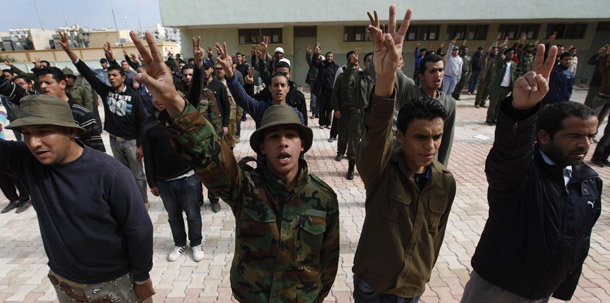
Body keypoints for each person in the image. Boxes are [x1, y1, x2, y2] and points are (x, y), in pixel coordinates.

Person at [130, 30, 339, 302]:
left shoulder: (324, 199)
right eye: (274, 136)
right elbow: (208, 151)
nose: (283, 143)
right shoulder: (244, 187)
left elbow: (328, 263)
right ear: (262, 147)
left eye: (291, 136)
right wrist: (174, 102)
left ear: (303, 144)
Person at [462, 43, 603, 302]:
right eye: (574, 136)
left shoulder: (589, 182)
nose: (584, 144)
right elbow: (510, 150)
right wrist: (521, 111)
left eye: (590, 136)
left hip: (540, 291)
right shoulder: (521, 172)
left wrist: (563, 286)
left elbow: (581, 239)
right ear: (544, 136)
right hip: (497, 287)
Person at [0, 94, 154, 302]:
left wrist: (142, 276)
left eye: (44, 132)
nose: (34, 143)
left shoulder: (110, 173)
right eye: (26, 134)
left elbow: (139, 229)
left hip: (114, 283)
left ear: (71, 131)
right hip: (65, 280)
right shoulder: (28, 161)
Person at [352, 7, 456, 303]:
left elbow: (436, 237)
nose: (431, 146)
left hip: (412, 286)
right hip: (374, 280)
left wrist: (423, 273)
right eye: (421, 137)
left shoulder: (445, 182)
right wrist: (386, 78)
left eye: (436, 137)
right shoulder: (382, 170)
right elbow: (375, 133)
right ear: (401, 136)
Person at [58, 31, 148, 207]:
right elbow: (86, 71)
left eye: (115, 76)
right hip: (114, 142)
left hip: (131, 142)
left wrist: (141, 145)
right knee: (123, 173)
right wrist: (69, 50)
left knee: (137, 174)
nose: (111, 78)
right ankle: (129, 199)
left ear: (123, 77)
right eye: (109, 76)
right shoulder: (106, 93)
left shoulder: (134, 97)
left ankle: (142, 200)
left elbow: (141, 122)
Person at [142, 99, 203, 262]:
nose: (158, 100)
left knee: (193, 214)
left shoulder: (182, 117)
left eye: (162, 95)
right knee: (173, 216)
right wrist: (152, 182)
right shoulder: (148, 124)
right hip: (164, 182)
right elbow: (148, 156)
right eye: (155, 96)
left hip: (187, 177)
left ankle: (196, 243)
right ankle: (179, 244)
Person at [332, 49, 373, 180]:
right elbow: (345, 81)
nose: (372, 64)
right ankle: (350, 167)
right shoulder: (357, 77)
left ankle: (367, 168)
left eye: (374, 61)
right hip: (354, 114)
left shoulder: (379, 79)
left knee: (371, 144)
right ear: (365, 64)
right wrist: (351, 65)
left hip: (372, 117)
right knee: (351, 140)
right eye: (369, 61)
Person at [485, 40, 516, 125]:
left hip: (506, 88)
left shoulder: (513, 64)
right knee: (493, 104)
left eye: (512, 53)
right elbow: (498, 57)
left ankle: (496, 118)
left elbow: (514, 76)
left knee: (500, 105)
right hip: (497, 87)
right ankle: (489, 118)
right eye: (509, 53)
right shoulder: (501, 63)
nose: (511, 55)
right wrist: (502, 48)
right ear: (505, 55)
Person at [311, 43, 339, 129]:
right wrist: (316, 54)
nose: (329, 58)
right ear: (326, 57)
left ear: (332, 57)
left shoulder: (336, 67)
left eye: (331, 56)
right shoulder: (322, 64)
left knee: (329, 108)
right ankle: (322, 123)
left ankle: (328, 123)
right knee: (322, 108)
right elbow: (314, 63)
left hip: (331, 91)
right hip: (322, 91)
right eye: (328, 56)